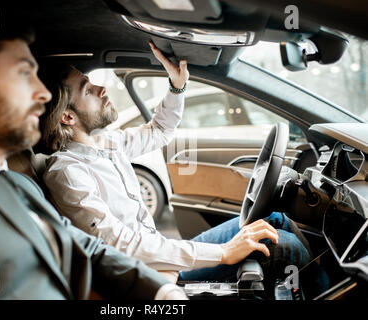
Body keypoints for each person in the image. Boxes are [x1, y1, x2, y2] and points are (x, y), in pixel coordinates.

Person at [0, 6, 187, 300]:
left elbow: (86, 249)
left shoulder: (16, 183)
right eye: (23, 73)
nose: (44, 94)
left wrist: (162, 292)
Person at [40, 41, 312, 288]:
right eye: (88, 90)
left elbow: (159, 129)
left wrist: (177, 86)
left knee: (276, 220)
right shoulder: (66, 173)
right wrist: (224, 252)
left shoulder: (108, 143)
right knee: (283, 246)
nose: (102, 89)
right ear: (67, 116)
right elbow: (119, 243)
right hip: (148, 272)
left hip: (162, 254)